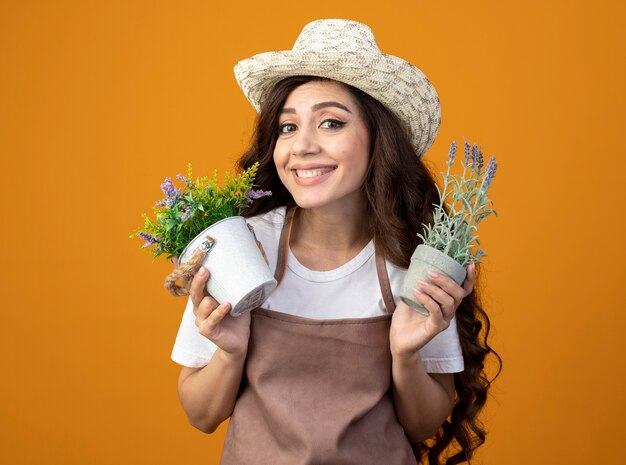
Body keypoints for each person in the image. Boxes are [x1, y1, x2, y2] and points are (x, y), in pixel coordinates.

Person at [171, 19, 500, 465]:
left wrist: (404, 354)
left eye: (330, 122)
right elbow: (201, 415)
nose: (301, 145)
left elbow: (422, 425)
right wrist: (231, 352)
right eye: (287, 128)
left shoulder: (414, 257)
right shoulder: (243, 247)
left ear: (377, 139)